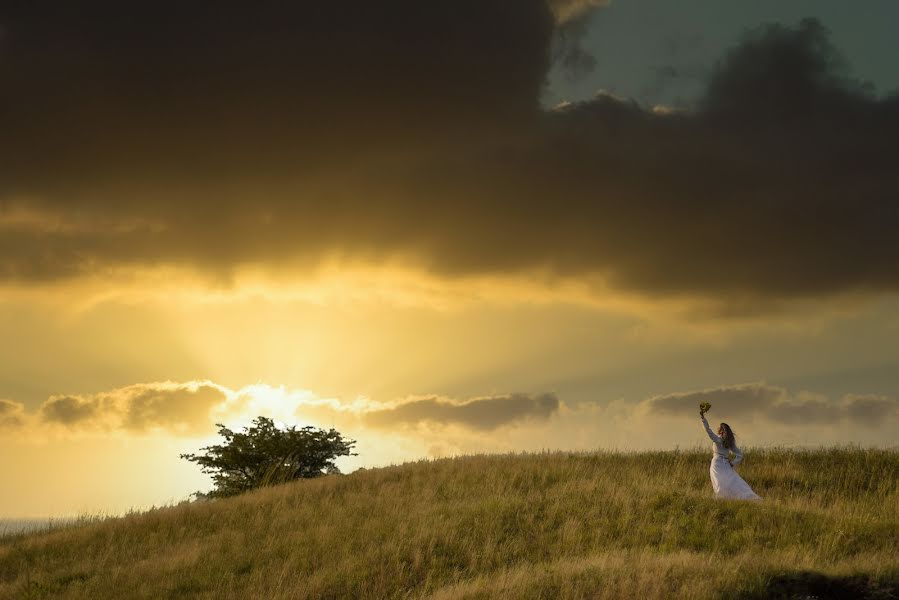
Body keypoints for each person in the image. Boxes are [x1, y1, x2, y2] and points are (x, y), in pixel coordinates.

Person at [700, 408, 761, 500]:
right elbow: (740, 455)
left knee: (719, 481)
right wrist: (732, 463)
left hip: (717, 463)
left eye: (719, 428)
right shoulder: (729, 442)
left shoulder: (717, 439)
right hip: (726, 464)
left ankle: (722, 498)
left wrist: (703, 418)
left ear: (720, 430)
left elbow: (708, 430)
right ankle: (743, 496)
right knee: (731, 481)